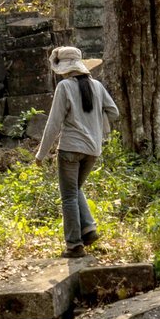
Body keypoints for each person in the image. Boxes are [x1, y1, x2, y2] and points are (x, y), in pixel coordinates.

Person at [34, 44, 118, 257]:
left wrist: (41, 154)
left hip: (70, 149)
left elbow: (54, 123)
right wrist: (98, 128)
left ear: (64, 68)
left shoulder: (64, 87)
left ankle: (74, 245)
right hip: (92, 150)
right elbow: (114, 112)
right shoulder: (97, 86)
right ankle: (88, 229)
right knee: (75, 189)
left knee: (69, 195)